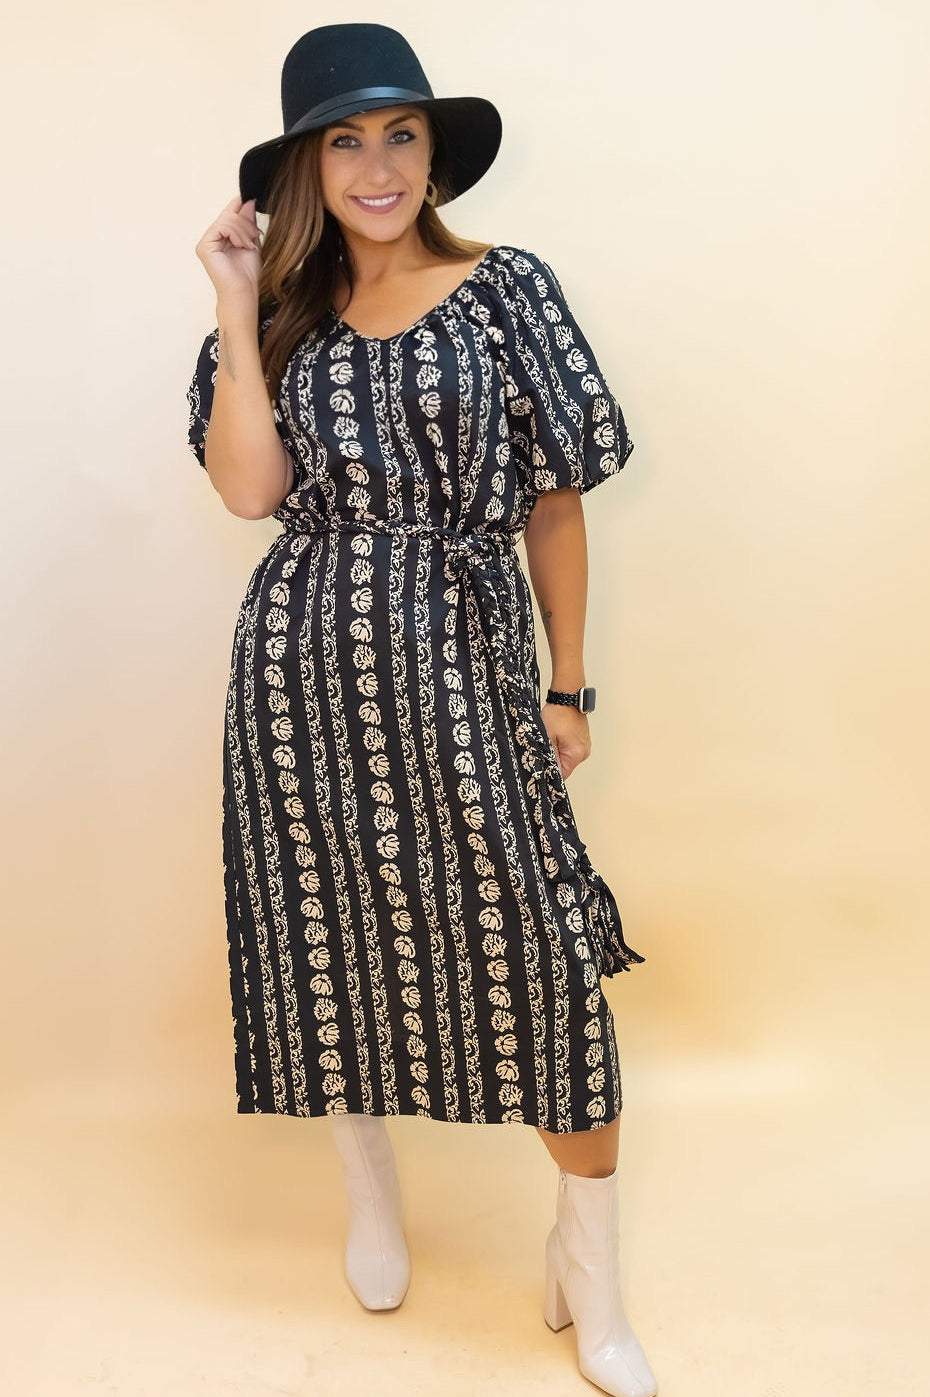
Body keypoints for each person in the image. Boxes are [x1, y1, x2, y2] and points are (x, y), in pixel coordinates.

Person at [186, 22, 656, 1397]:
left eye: (398, 135)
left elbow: (555, 497)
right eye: (344, 140)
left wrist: (566, 683)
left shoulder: (507, 290)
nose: (376, 166)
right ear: (302, 169)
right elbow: (248, 492)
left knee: (544, 955)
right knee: (326, 932)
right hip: (299, 671)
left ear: (433, 152)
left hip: (463, 660)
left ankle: (590, 1264)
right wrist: (230, 297)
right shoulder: (278, 307)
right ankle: (371, 1194)